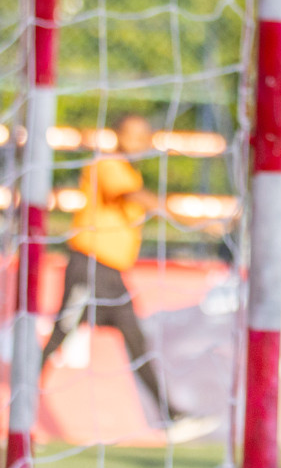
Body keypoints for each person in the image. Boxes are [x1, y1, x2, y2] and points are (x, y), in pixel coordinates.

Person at [39, 115, 216, 442]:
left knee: (136, 341)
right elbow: (136, 197)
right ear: (117, 136)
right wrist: (193, 221)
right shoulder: (107, 166)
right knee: (59, 336)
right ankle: (21, 400)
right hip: (89, 266)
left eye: (142, 136)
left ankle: (169, 416)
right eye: (130, 136)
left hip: (112, 274)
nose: (136, 143)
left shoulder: (129, 172)